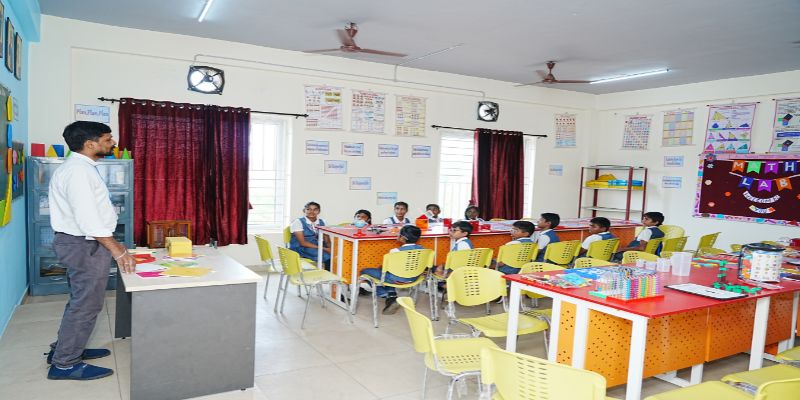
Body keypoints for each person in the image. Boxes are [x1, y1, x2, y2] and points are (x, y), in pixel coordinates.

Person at [46, 121, 137, 380]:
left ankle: (64, 349)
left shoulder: (81, 168)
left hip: (82, 243)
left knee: (80, 301)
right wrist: (118, 250)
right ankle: (65, 364)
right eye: (108, 139)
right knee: (86, 304)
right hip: (83, 245)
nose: (113, 143)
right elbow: (88, 219)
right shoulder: (78, 172)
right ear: (90, 144)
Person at [360, 225, 424, 315]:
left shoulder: (395, 251)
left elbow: (387, 268)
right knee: (386, 272)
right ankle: (391, 295)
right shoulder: (423, 250)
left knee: (364, 271)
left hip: (396, 279)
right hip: (414, 278)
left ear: (403, 238)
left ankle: (388, 295)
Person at [289, 202, 331, 269]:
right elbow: (302, 243)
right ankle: (329, 274)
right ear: (304, 210)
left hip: (316, 246)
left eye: (315, 209)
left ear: (319, 211)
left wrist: (332, 248)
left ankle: (334, 273)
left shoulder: (323, 222)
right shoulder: (298, 222)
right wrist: (325, 249)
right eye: (308, 209)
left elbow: (327, 240)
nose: (312, 212)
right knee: (327, 256)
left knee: (336, 254)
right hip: (301, 248)